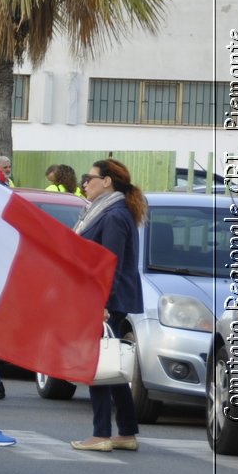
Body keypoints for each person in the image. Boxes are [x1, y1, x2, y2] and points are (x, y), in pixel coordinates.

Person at [71, 158, 147, 453]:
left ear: (107, 181)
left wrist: (101, 303)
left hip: (106, 299)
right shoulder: (105, 210)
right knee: (110, 362)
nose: (84, 183)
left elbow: (109, 264)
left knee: (97, 363)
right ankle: (126, 432)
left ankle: (101, 433)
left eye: (88, 178)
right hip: (108, 297)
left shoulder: (114, 214)